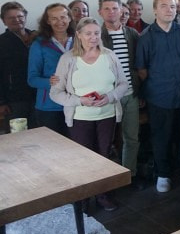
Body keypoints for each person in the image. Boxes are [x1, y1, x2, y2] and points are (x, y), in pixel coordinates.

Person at [50, 17, 129, 211]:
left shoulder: (110, 55)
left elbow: (123, 84)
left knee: (104, 156)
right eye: (88, 33)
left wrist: (110, 96)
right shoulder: (68, 59)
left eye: (96, 33)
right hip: (80, 118)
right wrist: (80, 100)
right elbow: (55, 93)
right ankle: (83, 198)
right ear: (78, 35)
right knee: (83, 160)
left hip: (107, 116)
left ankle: (103, 195)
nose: (93, 37)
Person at [136, 0, 180, 193]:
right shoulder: (146, 37)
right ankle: (163, 173)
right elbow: (142, 70)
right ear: (155, 10)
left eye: (172, 6)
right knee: (161, 135)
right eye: (164, 6)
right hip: (159, 95)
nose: (169, 10)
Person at [98, 0, 143, 187]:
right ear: (100, 12)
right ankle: (106, 180)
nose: (111, 12)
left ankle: (129, 175)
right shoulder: (96, 35)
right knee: (105, 141)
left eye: (115, 8)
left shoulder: (132, 34)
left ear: (122, 11)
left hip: (130, 94)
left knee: (131, 138)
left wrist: (140, 92)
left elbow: (139, 65)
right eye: (106, 9)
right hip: (107, 97)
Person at [27, 3, 75, 136]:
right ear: (47, 21)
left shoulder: (80, 40)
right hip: (49, 107)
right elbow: (32, 79)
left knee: (76, 146)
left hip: (75, 104)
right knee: (54, 146)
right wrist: (49, 81)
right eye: (54, 18)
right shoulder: (39, 44)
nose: (60, 22)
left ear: (69, 18)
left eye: (63, 17)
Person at [0, 1, 36, 127]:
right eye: (11, 18)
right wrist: (1, 102)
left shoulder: (38, 37)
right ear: (4, 21)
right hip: (14, 100)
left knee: (41, 131)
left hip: (39, 96)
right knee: (19, 133)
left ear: (25, 17)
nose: (16, 20)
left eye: (20, 16)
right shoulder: (1, 42)